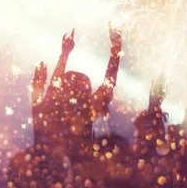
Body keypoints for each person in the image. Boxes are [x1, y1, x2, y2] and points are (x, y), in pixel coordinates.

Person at [31, 26, 122, 155]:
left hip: (51, 167)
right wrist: (116, 51)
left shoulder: (54, 107)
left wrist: (64, 54)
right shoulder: (85, 108)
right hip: (70, 167)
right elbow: (109, 84)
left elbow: (54, 86)